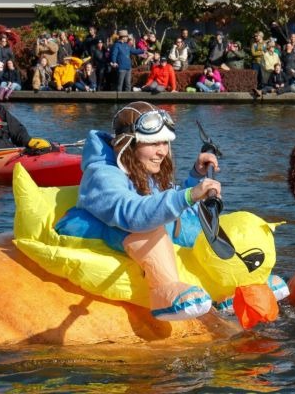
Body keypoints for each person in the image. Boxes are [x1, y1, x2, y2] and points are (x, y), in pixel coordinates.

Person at [54, 102, 221, 320]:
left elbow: (168, 208)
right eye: (153, 144)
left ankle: (227, 285)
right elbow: (132, 215)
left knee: (196, 228)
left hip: (134, 227)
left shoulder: (144, 168)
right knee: (150, 233)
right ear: (129, 145)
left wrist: (196, 179)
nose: (162, 151)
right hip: (101, 229)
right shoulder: (103, 174)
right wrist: (188, 195)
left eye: (165, 143)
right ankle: (164, 292)